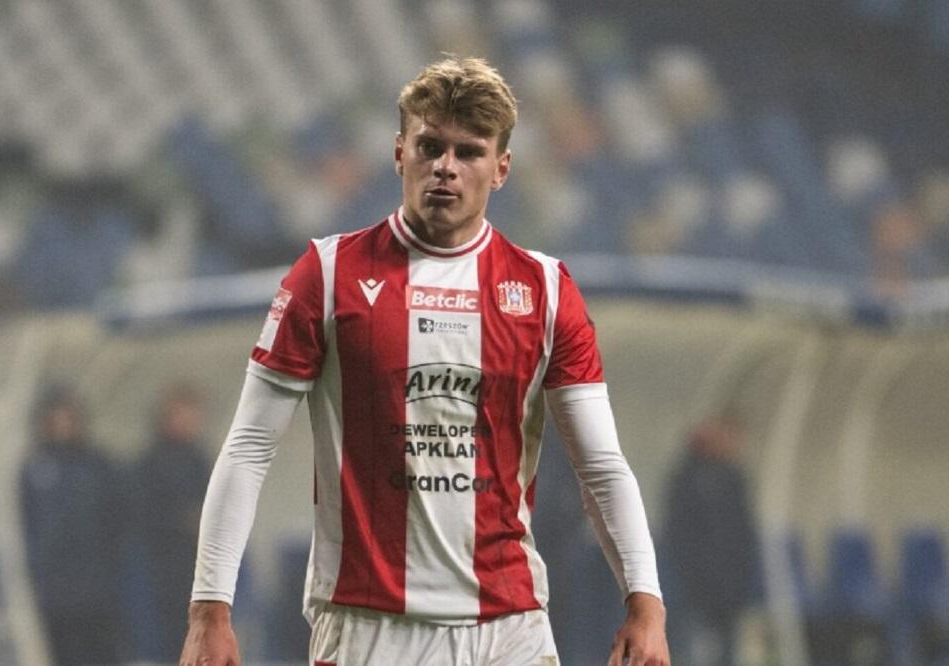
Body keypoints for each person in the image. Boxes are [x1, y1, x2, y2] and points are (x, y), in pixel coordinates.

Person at [180, 56, 669, 666]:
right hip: (369, 627)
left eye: (469, 152)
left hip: (509, 627)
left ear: (502, 168)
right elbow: (249, 447)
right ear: (399, 153)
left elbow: (600, 466)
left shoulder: (544, 291)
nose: (445, 166)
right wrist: (209, 610)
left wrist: (646, 602)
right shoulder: (327, 276)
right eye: (430, 146)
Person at [20, 384, 126, 665]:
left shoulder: (98, 465)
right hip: (56, 589)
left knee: (102, 650)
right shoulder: (35, 467)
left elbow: (115, 520)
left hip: (97, 584)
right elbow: (29, 524)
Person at [663, 412, 760, 666]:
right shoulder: (688, 478)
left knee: (726, 645)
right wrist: (688, 571)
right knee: (696, 642)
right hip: (696, 581)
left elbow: (743, 531)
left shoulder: (734, 478)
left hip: (730, 581)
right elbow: (678, 531)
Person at [128, 382, 212, 662]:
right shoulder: (150, 463)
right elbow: (143, 514)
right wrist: (182, 520)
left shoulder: (200, 460)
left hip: (200, 568)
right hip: (163, 569)